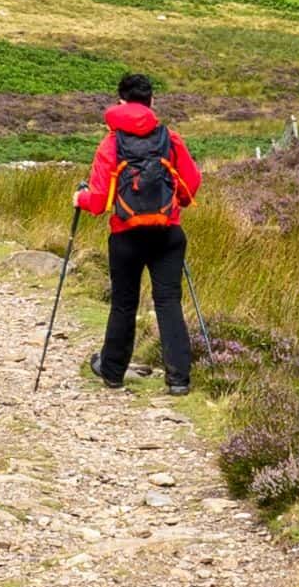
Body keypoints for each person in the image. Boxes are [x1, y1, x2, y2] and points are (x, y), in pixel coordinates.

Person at [74, 72, 203, 393]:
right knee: (168, 302)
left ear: (120, 102)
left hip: (125, 237)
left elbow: (100, 201)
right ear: (152, 102)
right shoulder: (169, 139)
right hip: (167, 233)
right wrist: (176, 204)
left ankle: (113, 373)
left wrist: (80, 198)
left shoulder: (110, 144)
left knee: (123, 303)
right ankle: (178, 381)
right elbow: (192, 182)